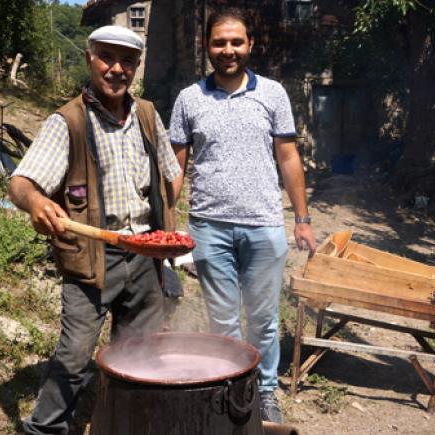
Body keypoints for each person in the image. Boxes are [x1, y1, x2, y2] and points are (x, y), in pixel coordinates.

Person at [8, 25, 182, 435]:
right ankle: (46, 429)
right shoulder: (67, 121)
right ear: (89, 59)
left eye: (127, 61)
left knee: (138, 355)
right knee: (73, 354)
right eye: (107, 58)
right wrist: (37, 203)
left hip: (145, 254)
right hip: (91, 257)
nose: (116, 69)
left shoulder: (147, 116)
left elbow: (171, 177)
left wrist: (165, 237)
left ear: (136, 66)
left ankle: (121, 424)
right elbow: (21, 183)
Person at [169, 7, 317, 424]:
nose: (228, 50)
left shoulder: (272, 94)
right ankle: (232, 386)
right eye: (220, 42)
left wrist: (301, 218)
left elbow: (288, 157)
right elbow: (176, 167)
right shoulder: (189, 99)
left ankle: (266, 390)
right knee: (222, 319)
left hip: (264, 225)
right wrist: (165, 223)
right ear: (207, 47)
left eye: (236, 42)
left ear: (250, 45)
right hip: (208, 226)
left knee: (264, 319)